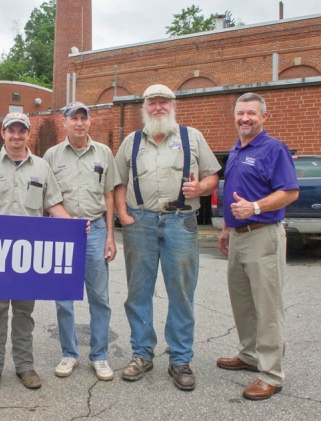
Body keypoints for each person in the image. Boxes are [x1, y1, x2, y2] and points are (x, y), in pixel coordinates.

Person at [114, 84, 220, 391]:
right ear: (144, 107)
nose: (158, 107)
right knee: (138, 292)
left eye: (163, 102)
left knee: (181, 294)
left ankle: (180, 359)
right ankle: (142, 354)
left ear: (173, 105)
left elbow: (213, 174)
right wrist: (123, 214)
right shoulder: (132, 141)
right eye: (152, 102)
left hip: (180, 221)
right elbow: (118, 181)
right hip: (140, 222)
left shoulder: (192, 137)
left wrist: (201, 188)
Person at [0, 112, 73, 393]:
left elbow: (53, 205)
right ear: (2, 133)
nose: (16, 136)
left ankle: (25, 366)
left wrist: (74, 228)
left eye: (21, 131)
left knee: (25, 312)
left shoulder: (41, 168)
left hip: (30, 253)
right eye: (11, 130)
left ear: (29, 134)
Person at [217, 92, 298, 400]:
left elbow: (289, 192)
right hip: (238, 237)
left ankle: (272, 374)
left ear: (265, 116)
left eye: (251, 113)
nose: (245, 118)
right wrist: (227, 227)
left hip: (263, 235)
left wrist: (255, 207)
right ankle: (249, 355)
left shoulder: (274, 149)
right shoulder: (237, 149)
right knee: (243, 303)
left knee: (267, 306)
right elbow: (235, 194)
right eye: (240, 113)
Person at [42, 101, 120, 381]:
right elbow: (46, 199)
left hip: (96, 229)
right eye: (73, 118)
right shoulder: (51, 156)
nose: (78, 123)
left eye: (83, 118)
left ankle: (99, 356)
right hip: (62, 233)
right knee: (63, 299)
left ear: (89, 122)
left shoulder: (104, 153)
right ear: (64, 122)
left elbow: (109, 195)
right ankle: (69, 354)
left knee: (100, 298)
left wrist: (111, 236)